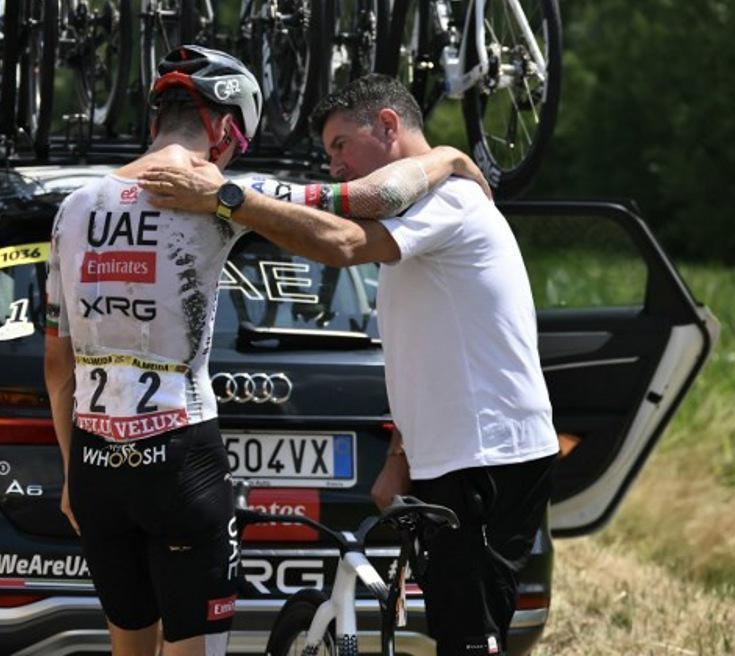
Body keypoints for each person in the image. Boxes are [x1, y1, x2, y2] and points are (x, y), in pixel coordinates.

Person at [43, 46, 488, 656]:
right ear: (225, 128)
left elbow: (56, 362)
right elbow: (370, 200)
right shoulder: (222, 192)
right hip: (179, 456)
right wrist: (447, 158)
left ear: (156, 122)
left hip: (94, 462)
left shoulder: (72, 210)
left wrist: (72, 470)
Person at [138, 73, 559, 656]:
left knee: (470, 639)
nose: (333, 165)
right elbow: (427, 351)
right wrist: (400, 456)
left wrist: (226, 198)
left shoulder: (451, 200)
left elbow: (341, 245)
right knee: (454, 627)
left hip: (488, 457)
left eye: (340, 146)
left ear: (387, 125)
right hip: (452, 456)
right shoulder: (424, 202)